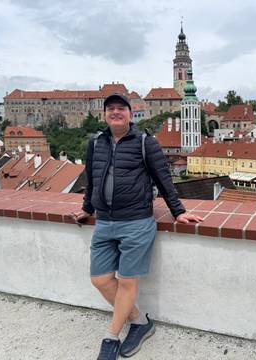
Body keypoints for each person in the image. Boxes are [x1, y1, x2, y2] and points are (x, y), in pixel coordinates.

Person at [74, 93, 202, 359]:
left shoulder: (146, 143)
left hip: (136, 222)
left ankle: (111, 337)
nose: (116, 112)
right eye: (111, 109)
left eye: (121, 108)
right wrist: (88, 208)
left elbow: (163, 179)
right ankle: (140, 322)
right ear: (105, 114)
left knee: (127, 282)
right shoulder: (95, 143)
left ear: (130, 114)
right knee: (99, 279)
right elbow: (93, 178)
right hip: (105, 222)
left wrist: (178, 212)